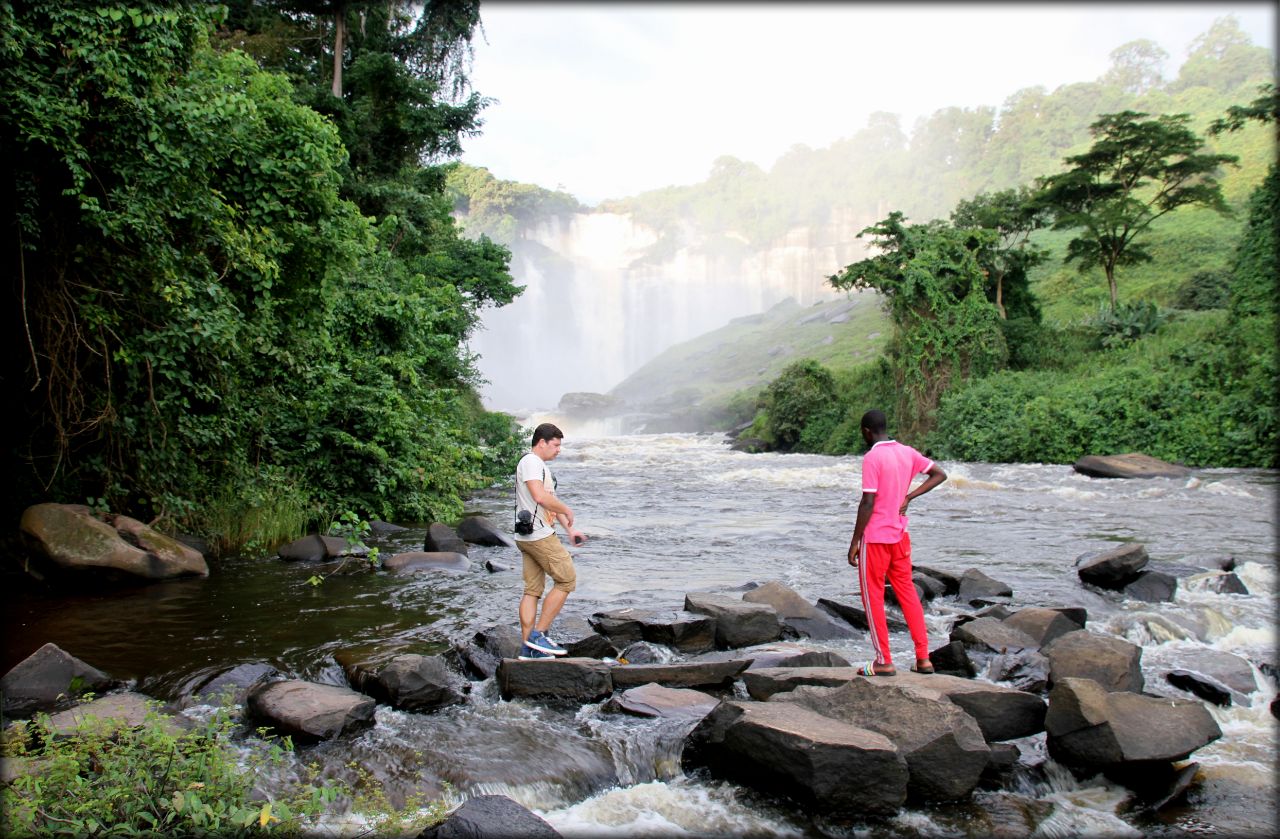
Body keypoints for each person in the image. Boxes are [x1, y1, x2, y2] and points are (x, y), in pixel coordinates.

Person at [847, 409, 947, 676]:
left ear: (866, 432)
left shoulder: (872, 458)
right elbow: (939, 474)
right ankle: (923, 658)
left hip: (876, 539)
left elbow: (868, 502)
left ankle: (883, 661)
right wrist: (910, 497)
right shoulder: (907, 452)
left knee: (873, 598)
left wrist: (855, 541)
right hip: (900, 536)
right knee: (908, 594)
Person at [513, 422, 587, 661]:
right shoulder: (531, 462)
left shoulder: (540, 467)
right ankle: (538, 635)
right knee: (566, 580)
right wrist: (567, 508)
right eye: (555, 445)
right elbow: (540, 496)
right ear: (542, 442)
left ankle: (529, 648)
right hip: (539, 536)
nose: (558, 450)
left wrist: (570, 529)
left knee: (532, 590)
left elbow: (550, 502)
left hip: (527, 535)